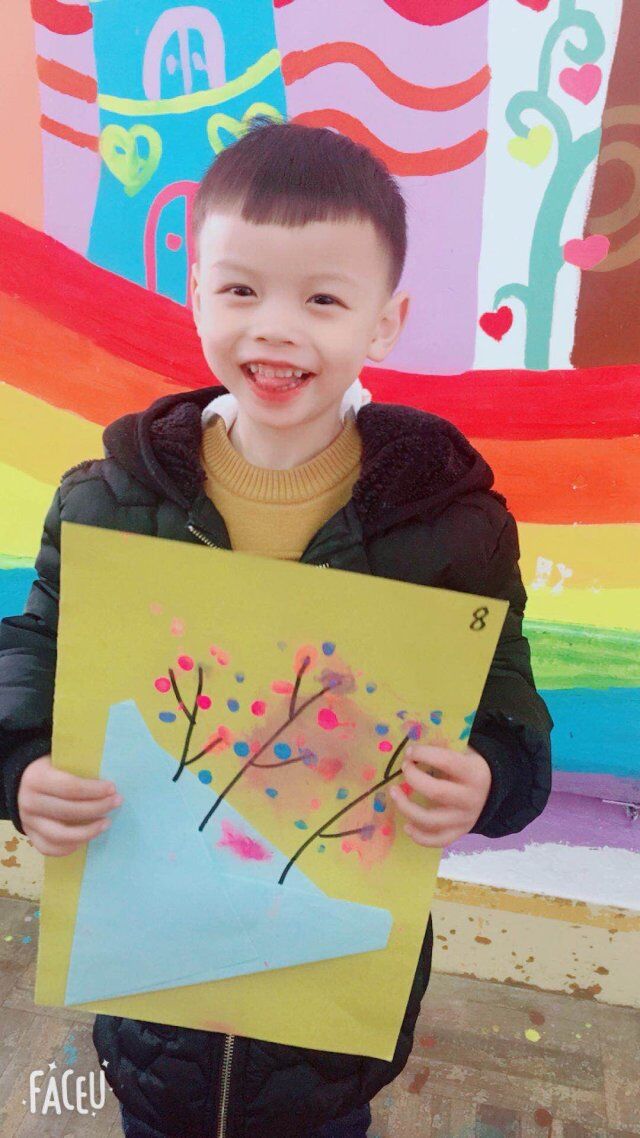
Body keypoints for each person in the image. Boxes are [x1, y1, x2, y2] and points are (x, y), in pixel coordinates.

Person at [0, 118, 553, 1138]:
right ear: (195, 292)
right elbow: (35, 649)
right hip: (153, 994)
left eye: (323, 299)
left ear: (385, 322)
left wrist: (491, 773)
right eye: (241, 289)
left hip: (328, 1022)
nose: (277, 329)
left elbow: (507, 699)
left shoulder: (449, 524)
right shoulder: (110, 498)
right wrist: (21, 763)